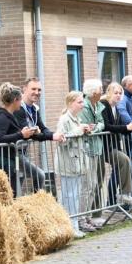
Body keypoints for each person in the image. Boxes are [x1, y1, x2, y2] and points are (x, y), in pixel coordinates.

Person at [14, 77, 65, 192]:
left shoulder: (34, 109)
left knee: (17, 186)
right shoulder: (18, 108)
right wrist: (51, 136)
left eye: (39, 90)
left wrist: (52, 134)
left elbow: (42, 128)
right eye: (33, 89)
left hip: (23, 152)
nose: (37, 93)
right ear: (24, 89)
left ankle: (32, 206)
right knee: (40, 175)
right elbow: (30, 133)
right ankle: (36, 205)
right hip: (13, 153)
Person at [55, 91, 92, 237]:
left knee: (74, 196)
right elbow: (62, 141)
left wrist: (86, 130)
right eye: (80, 102)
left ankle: (74, 226)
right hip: (68, 162)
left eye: (83, 102)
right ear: (71, 103)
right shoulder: (64, 119)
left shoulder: (76, 119)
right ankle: (70, 227)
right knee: (69, 196)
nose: (83, 105)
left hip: (77, 162)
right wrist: (78, 130)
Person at [0, 83, 36, 196]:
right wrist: (21, 134)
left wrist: (24, 133)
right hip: (1, 163)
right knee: (6, 196)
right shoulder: (2, 117)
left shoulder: (9, 115)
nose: (21, 103)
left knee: (12, 194)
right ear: (15, 100)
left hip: (8, 161)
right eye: (20, 100)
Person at [100, 82, 132, 207]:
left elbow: (121, 127)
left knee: (120, 168)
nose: (118, 96)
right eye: (115, 93)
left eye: (120, 93)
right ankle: (124, 194)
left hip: (114, 145)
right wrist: (126, 127)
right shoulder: (104, 105)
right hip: (104, 147)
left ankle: (115, 199)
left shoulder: (116, 107)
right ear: (108, 93)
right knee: (124, 160)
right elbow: (107, 126)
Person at [78, 79, 106, 229]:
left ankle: (87, 216)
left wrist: (96, 128)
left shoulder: (97, 105)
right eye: (101, 89)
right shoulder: (85, 106)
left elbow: (101, 123)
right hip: (87, 149)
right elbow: (87, 128)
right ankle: (81, 219)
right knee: (87, 186)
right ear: (94, 92)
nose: (102, 91)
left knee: (93, 184)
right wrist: (95, 129)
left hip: (96, 148)